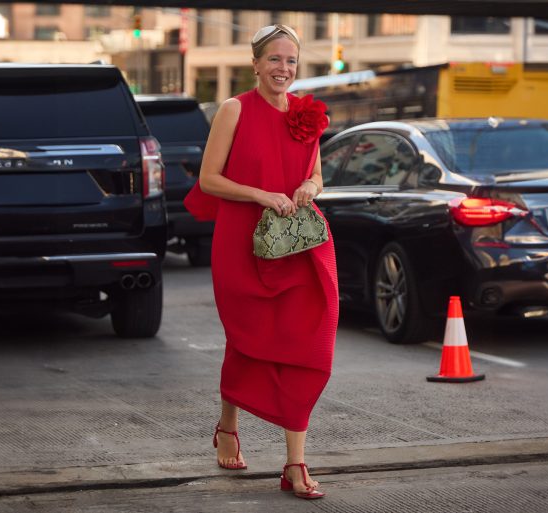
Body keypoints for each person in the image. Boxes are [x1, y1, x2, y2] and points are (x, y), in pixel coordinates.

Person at [183, 24, 338, 500]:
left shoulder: (308, 113)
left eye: (291, 61)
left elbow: (315, 172)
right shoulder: (234, 110)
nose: (283, 69)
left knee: (306, 343)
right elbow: (209, 179)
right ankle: (228, 426)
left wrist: (310, 188)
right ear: (254, 63)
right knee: (248, 339)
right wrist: (260, 194)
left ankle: (295, 462)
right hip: (240, 242)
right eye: (274, 59)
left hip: (297, 244)